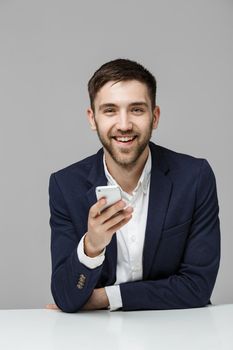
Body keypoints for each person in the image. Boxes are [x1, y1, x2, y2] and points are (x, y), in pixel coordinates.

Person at [48, 58, 220, 313]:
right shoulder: (65, 186)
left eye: (137, 109)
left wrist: (106, 297)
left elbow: (197, 287)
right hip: (97, 337)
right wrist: (91, 247)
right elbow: (66, 296)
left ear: (155, 116)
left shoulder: (194, 178)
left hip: (179, 331)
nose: (124, 124)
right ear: (92, 118)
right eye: (110, 110)